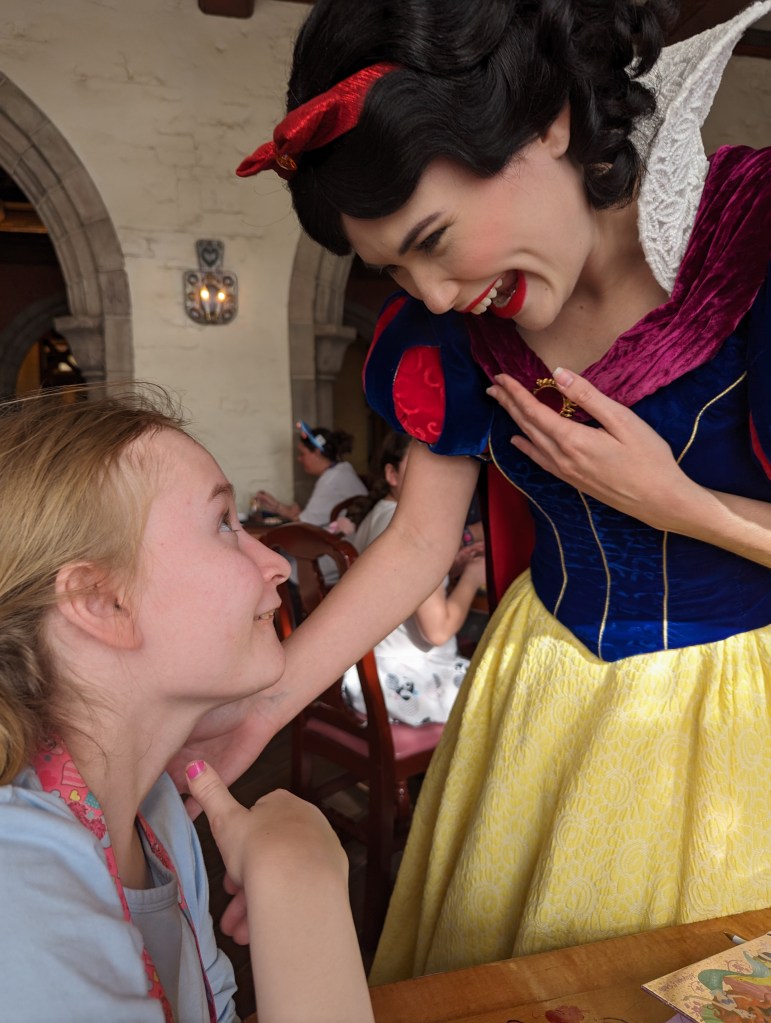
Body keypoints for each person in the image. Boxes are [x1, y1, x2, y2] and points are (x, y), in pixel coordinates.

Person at [193, 0, 771, 983]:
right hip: (537, 692)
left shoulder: (749, 246)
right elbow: (418, 542)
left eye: (433, 238)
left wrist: (679, 504)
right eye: (393, 269)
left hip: (736, 716)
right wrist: (263, 705)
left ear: (547, 121)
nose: (432, 294)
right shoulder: (456, 334)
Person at [0, 388, 374, 1023]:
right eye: (224, 523)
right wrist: (299, 880)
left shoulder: (157, 808)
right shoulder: (20, 893)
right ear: (102, 603)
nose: (276, 564)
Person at [341, 432, 487, 725]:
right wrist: (472, 578)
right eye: (424, 465)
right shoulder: (415, 532)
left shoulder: (380, 515)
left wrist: (449, 570)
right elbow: (438, 631)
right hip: (406, 683)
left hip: (365, 674)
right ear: (392, 474)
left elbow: (396, 589)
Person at [254, 421, 366, 526]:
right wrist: (277, 506)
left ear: (317, 453)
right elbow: (311, 517)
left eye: (302, 454)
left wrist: (285, 510)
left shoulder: (330, 480)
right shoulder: (343, 469)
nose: (299, 459)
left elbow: (303, 524)